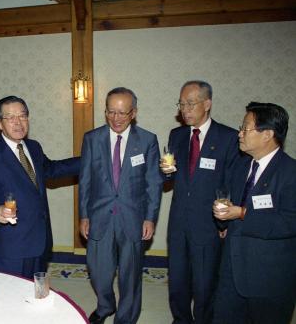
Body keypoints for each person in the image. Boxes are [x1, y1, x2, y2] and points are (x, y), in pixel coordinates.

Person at [79, 87, 163, 324]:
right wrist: (83, 215)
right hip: (99, 217)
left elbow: (153, 183)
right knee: (99, 273)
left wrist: (150, 218)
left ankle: (126, 317)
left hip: (133, 217)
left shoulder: (147, 140)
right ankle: (105, 305)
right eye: (110, 112)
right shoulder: (91, 139)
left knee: (130, 274)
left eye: (122, 113)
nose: (116, 118)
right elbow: (84, 180)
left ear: (134, 113)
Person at [0, 95, 79, 279]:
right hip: (12, 245)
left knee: (36, 294)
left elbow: (51, 169)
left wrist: (90, 159)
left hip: (40, 239)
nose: (18, 122)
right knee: (11, 296)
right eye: (10, 117)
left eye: (22, 116)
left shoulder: (33, 147)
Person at [161, 80, 240, 324]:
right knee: (178, 281)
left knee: (205, 284)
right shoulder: (177, 135)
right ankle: (181, 319)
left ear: (207, 104)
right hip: (178, 223)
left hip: (208, 224)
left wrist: (223, 224)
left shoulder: (227, 137)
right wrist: (166, 171)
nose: (184, 109)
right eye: (181, 104)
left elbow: (231, 184)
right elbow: (172, 174)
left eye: (190, 104)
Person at [212, 102, 296, 324]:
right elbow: (231, 208)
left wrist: (242, 214)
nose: (239, 134)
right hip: (231, 272)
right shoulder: (241, 166)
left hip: (267, 279)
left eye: (245, 129)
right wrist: (223, 218)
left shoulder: (290, 173)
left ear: (267, 134)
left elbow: (289, 222)